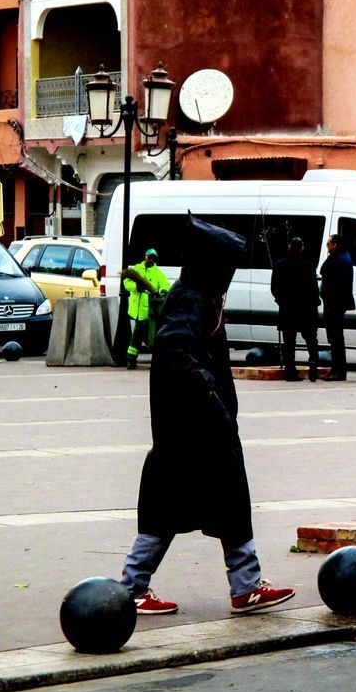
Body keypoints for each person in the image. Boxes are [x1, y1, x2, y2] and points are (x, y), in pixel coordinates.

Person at [119, 214, 295, 616]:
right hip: (199, 429)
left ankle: (136, 587)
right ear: (214, 264)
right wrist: (209, 393)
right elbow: (174, 348)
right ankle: (243, 588)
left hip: (184, 431)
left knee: (167, 510)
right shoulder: (195, 298)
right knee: (226, 503)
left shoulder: (195, 292)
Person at [271, 237, 320, 382]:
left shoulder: (279, 265)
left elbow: (274, 288)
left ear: (289, 247)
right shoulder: (309, 266)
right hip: (306, 308)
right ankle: (313, 363)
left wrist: (281, 300)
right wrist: (314, 303)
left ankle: (290, 371)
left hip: (287, 308)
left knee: (289, 342)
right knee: (311, 339)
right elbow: (313, 289)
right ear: (302, 248)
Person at [123, 248, 171, 370]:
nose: (151, 259)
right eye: (149, 257)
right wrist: (136, 287)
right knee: (138, 336)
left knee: (145, 336)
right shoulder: (136, 269)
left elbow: (166, 285)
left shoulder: (157, 273)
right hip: (139, 311)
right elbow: (126, 283)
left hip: (150, 311)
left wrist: (162, 292)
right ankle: (130, 360)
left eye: (153, 258)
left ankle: (132, 359)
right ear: (145, 257)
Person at [320, 233, 354, 381]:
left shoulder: (336, 260)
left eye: (328, 244)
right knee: (337, 338)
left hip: (334, 304)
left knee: (335, 339)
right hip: (338, 304)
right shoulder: (344, 258)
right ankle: (339, 370)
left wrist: (326, 298)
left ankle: (337, 370)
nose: (327, 247)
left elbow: (329, 280)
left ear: (335, 245)